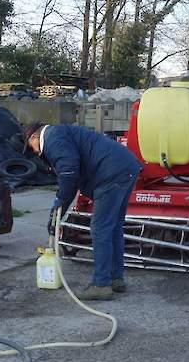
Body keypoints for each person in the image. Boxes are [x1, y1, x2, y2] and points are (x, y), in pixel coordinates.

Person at [23, 121, 143, 300]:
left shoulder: (52, 138)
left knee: (100, 228)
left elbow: (69, 174)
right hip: (125, 168)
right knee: (113, 227)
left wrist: (59, 204)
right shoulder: (60, 133)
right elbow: (73, 173)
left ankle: (101, 284)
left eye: (31, 146)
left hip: (110, 174)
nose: (33, 151)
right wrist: (60, 208)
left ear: (34, 137)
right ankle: (115, 278)